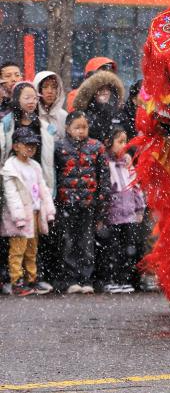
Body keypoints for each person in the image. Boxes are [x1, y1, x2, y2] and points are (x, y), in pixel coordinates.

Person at [55, 112, 110, 294]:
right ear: (67, 128)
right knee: (69, 241)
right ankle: (70, 279)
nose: (81, 131)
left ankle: (86, 278)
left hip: (88, 203)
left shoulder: (96, 147)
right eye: (76, 127)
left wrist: (102, 201)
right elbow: (55, 174)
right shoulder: (60, 147)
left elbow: (104, 176)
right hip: (67, 202)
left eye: (84, 127)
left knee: (87, 242)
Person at [2, 128, 55, 296]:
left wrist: (49, 210)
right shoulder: (10, 167)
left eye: (34, 145)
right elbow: (11, 195)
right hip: (20, 216)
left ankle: (31, 279)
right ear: (16, 146)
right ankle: (16, 281)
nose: (31, 148)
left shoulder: (35, 166)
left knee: (32, 249)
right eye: (27, 144)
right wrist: (18, 217)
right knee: (17, 250)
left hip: (35, 213)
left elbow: (43, 189)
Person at [97, 128, 146, 293]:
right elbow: (104, 189)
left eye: (125, 141)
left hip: (129, 214)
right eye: (119, 142)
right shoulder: (106, 163)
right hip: (113, 214)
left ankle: (124, 279)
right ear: (109, 143)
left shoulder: (127, 162)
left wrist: (140, 208)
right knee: (112, 248)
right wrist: (102, 213)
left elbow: (136, 186)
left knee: (128, 248)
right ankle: (111, 279)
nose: (124, 145)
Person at [72, 68, 125, 144]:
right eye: (101, 89)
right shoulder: (83, 115)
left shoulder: (117, 112)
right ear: (92, 92)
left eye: (108, 89)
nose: (105, 92)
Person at [34, 71, 67, 139]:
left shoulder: (63, 115)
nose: (50, 91)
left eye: (54, 87)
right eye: (45, 87)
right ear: (38, 90)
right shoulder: (32, 115)